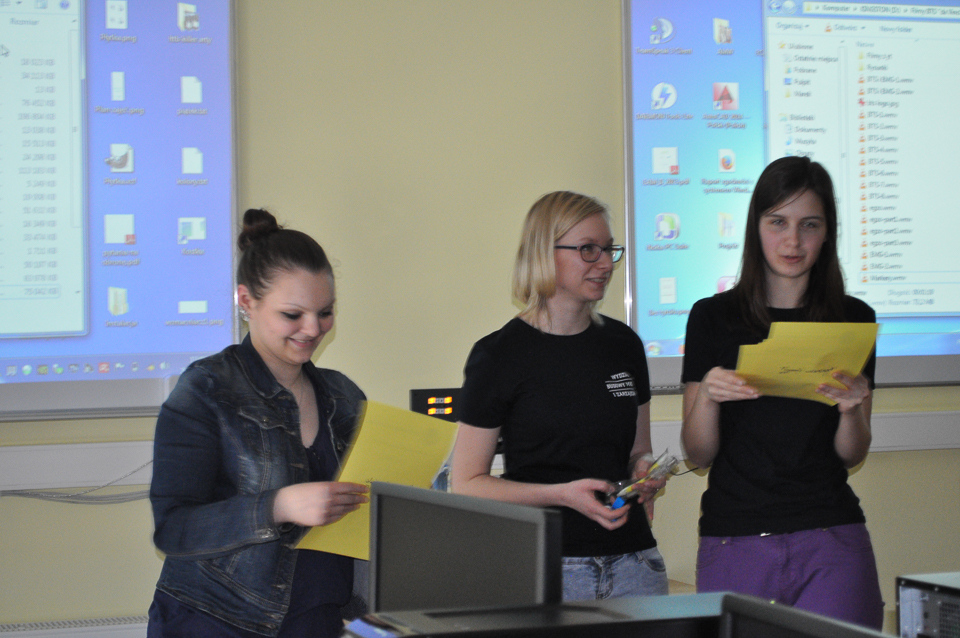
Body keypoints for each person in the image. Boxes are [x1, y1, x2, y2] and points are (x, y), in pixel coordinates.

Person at [680, 156, 883, 628]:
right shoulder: (712, 316)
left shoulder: (853, 318)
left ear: (827, 233)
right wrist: (707, 395)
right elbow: (698, 454)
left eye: (809, 224)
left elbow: (852, 454)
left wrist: (850, 411)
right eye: (778, 222)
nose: (793, 240)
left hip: (832, 535)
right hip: (735, 537)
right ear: (756, 227)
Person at [148, 208, 369, 638]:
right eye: (293, 315)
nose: (313, 328)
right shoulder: (206, 388)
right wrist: (277, 506)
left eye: (325, 312)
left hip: (318, 621)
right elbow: (173, 528)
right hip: (216, 623)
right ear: (246, 301)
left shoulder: (344, 396)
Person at [450, 190, 668, 601]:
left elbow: (639, 451)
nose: (605, 264)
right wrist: (559, 495)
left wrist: (645, 471)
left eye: (609, 249)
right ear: (543, 254)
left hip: (635, 564)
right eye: (588, 250)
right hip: (549, 568)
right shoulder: (498, 355)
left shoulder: (624, 344)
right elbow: (466, 484)